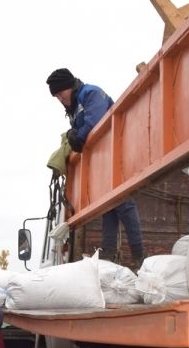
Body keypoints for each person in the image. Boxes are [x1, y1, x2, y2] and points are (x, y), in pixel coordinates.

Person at [46, 67, 145, 267]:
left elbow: (96, 120)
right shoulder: (74, 107)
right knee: (109, 207)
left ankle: (140, 256)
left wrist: (78, 136)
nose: (59, 99)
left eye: (60, 93)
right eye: (55, 96)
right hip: (102, 162)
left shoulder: (90, 93)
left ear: (68, 87)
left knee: (124, 204)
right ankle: (107, 258)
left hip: (116, 154)